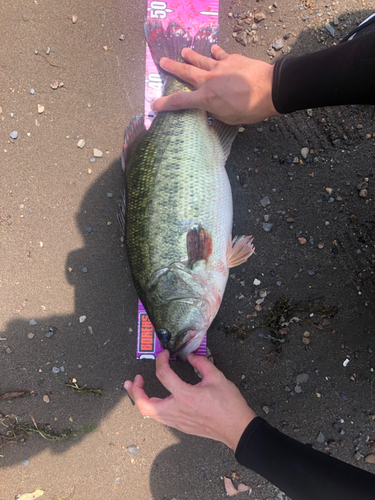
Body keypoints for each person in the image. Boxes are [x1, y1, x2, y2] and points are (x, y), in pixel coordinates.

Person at [125, 15, 375, 500]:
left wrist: (246, 437)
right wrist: (276, 85)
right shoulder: (198, 275)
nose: (183, 340)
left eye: (173, 332)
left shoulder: (198, 268)